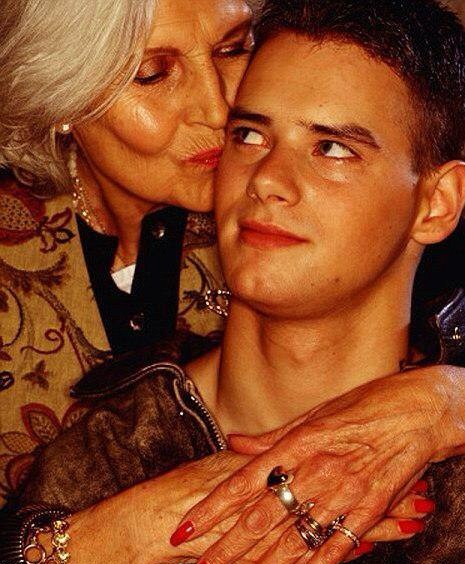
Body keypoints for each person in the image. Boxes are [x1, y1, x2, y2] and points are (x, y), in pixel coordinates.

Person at [4, 0, 465, 562]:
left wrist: (448, 401)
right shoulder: (103, 455)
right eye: (248, 135)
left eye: (332, 148)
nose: (266, 177)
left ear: (439, 203)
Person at [0, 0, 255, 506]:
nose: (219, 108)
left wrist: (429, 400)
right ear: (63, 96)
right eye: (153, 74)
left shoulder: (299, 217)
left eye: (232, 50)